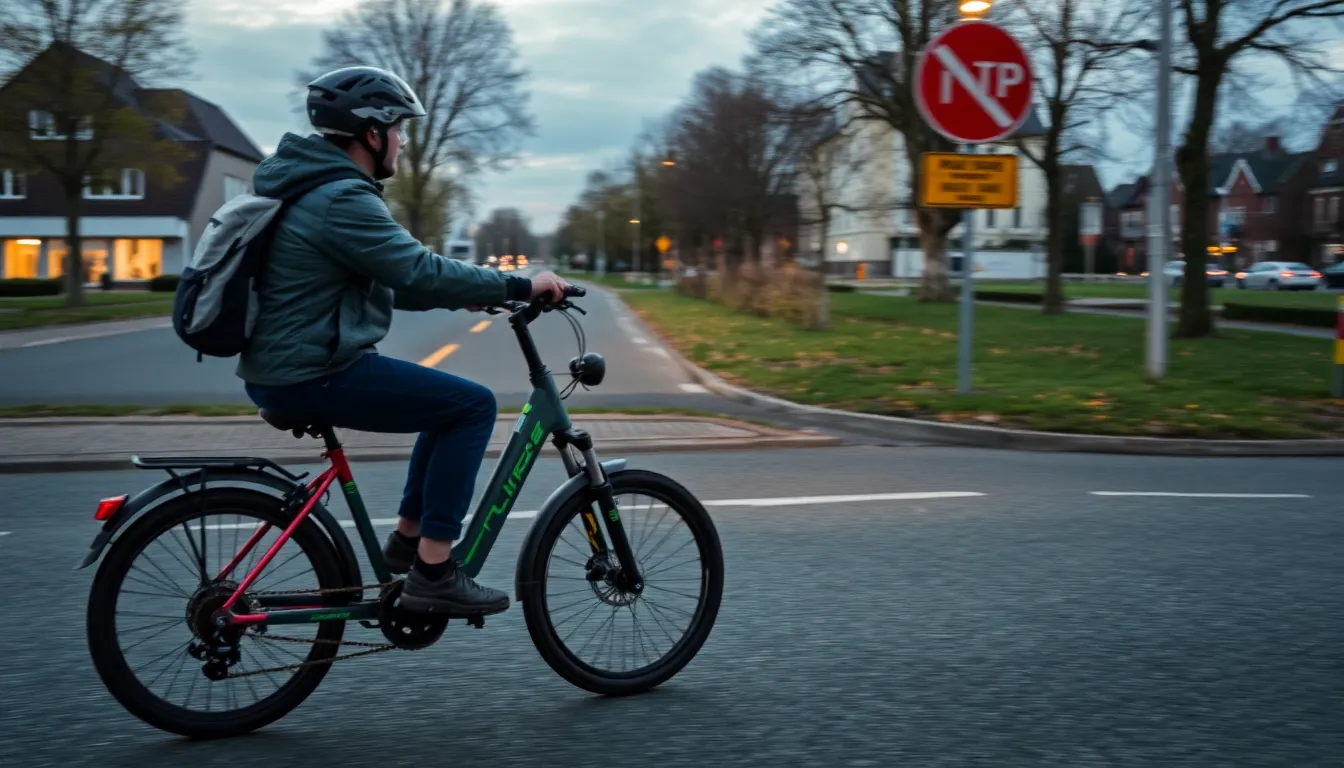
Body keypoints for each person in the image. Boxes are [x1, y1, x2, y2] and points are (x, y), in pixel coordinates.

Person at [236, 65, 571, 617]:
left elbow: (386, 278)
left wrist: (468, 293)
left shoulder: (313, 187)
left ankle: (409, 540)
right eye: (399, 129)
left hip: (290, 365)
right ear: (372, 133)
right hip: (309, 370)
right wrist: (519, 284)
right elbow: (416, 268)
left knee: (442, 406)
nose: (404, 141)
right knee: (471, 405)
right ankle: (434, 572)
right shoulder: (342, 197)